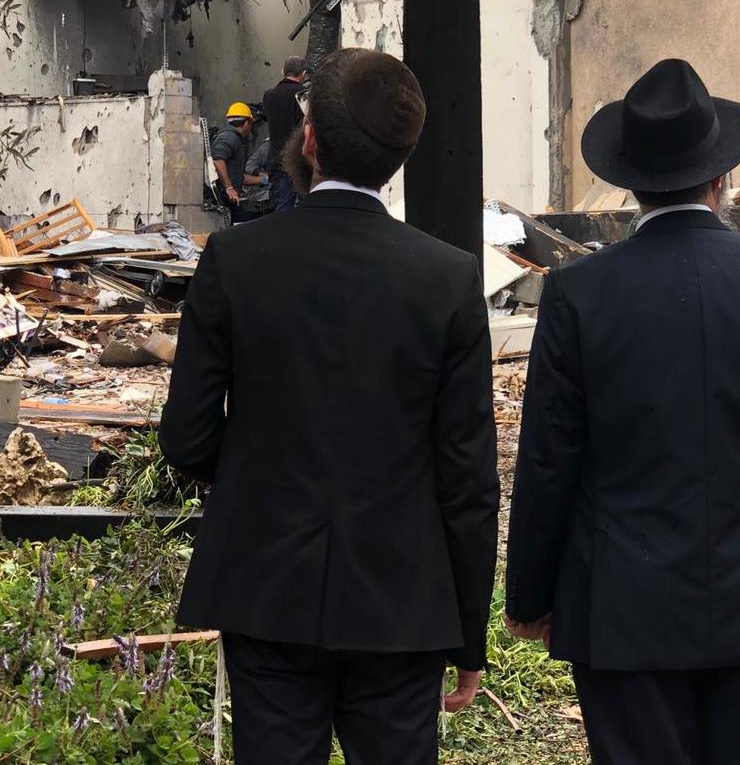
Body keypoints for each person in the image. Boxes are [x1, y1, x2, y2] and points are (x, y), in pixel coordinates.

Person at [504, 58, 740, 765]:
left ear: (632, 183)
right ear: (720, 178)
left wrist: (531, 594)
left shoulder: (579, 293)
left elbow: (549, 457)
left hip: (621, 603)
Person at [160, 48, 498, 765]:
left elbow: (186, 439)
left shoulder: (235, 260)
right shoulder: (447, 279)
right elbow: (468, 479)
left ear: (308, 141)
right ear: (396, 160)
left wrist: (259, 474)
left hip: (265, 587)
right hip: (402, 602)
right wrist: (470, 633)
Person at [261, 55, 309, 212]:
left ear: (283, 71)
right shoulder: (303, 95)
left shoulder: (269, 95)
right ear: (303, 73)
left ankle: (280, 235)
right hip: (297, 158)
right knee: (304, 206)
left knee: (280, 206)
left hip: (275, 157)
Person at [210, 101, 264, 224]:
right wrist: (229, 187)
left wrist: (263, 180)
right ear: (246, 123)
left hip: (230, 198)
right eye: (251, 124)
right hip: (224, 197)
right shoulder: (229, 137)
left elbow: (238, 176)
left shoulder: (234, 139)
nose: (251, 129)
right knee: (244, 226)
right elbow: (218, 160)